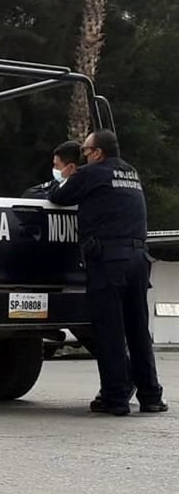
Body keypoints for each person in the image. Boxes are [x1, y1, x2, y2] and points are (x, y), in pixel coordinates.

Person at [49, 129, 167, 415]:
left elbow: (59, 196)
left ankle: (115, 399)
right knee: (138, 330)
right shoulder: (131, 173)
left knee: (110, 331)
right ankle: (151, 397)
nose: (85, 157)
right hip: (139, 259)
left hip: (109, 261)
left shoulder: (92, 174)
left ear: (98, 153)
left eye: (86, 152)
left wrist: (67, 175)